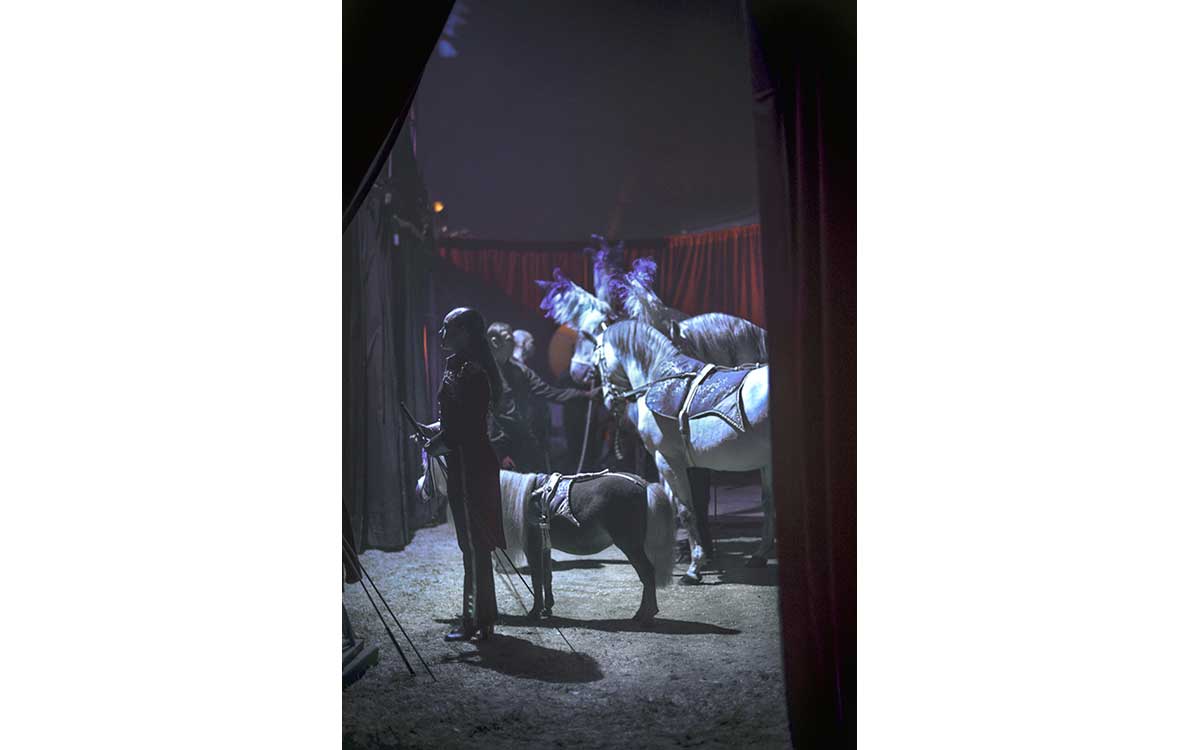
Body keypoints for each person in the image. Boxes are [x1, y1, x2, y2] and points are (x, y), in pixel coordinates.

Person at [412, 307, 508, 642]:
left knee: (475, 546)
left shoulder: (472, 372)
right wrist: (433, 432)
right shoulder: (463, 368)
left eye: (447, 327)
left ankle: (477, 621)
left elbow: (466, 429)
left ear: (465, 333)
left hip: (471, 468)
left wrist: (439, 443)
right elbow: (457, 421)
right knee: (473, 547)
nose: (441, 333)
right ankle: (481, 619)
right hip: (467, 463)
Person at [486, 322, 599, 472]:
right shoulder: (483, 370)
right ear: (495, 341)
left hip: (523, 443)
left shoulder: (520, 371)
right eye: (508, 339)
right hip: (497, 448)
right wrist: (500, 453)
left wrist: (584, 394)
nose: (512, 343)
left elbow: (549, 391)